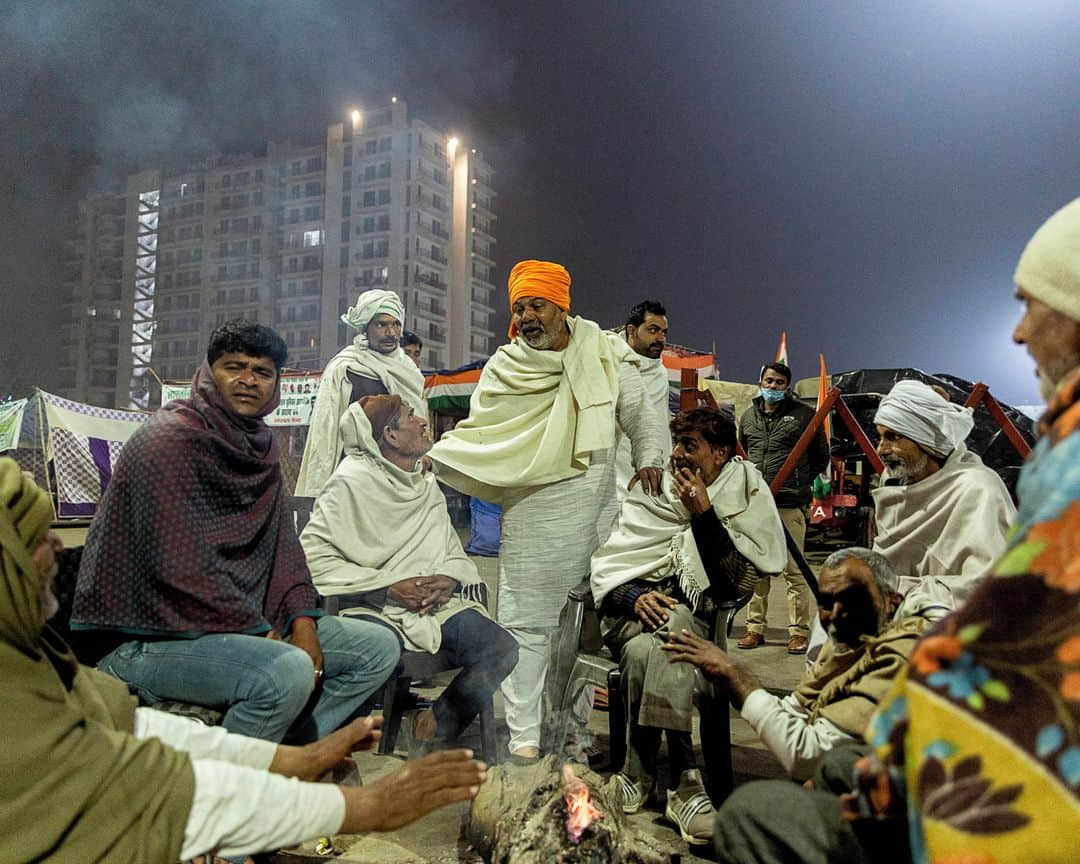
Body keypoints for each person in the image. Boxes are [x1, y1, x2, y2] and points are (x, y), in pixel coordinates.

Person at [708, 197, 1080, 864]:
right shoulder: (917, 489)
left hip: (979, 723)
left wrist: (901, 616)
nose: (1019, 333)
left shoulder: (985, 490)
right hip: (910, 653)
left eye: (1032, 306)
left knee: (764, 811)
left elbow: (1002, 617)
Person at [0, 457, 487, 863]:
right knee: (283, 671)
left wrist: (297, 756)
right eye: (40, 540)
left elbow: (132, 728)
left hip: (245, 630)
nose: (59, 548)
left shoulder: (32, 658)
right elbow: (159, 786)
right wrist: (359, 808)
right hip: (156, 646)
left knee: (369, 647)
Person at [71, 320, 401, 745]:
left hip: (237, 622)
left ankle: (290, 753)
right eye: (234, 367)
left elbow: (284, 547)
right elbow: (179, 569)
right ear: (209, 374)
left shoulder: (259, 446)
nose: (248, 380)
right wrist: (265, 633)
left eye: (262, 372)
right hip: (147, 636)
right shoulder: (167, 441)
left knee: (377, 647)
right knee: (285, 670)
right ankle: (224, 793)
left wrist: (301, 620)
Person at [427, 259, 669, 761]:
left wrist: (648, 457)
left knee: (586, 632)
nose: (527, 316)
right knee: (528, 624)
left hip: (598, 506)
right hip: (534, 511)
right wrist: (435, 456)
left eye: (537, 304)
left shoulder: (603, 351)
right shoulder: (503, 368)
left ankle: (575, 729)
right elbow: (486, 435)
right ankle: (523, 735)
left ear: (562, 306)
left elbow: (640, 412)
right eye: (519, 307)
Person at [591, 407, 786, 845]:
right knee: (666, 627)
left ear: (720, 454)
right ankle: (685, 783)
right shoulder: (653, 488)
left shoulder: (744, 489)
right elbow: (611, 561)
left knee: (657, 645)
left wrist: (703, 513)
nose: (676, 455)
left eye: (689, 446)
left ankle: (639, 772)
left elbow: (734, 585)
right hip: (628, 617)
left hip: (690, 623)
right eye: (675, 443)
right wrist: (634, 596)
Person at [300, 394, 518, 750]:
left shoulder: (424, 484)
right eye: (410, 416)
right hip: (373, 605)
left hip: (434, 604)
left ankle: (432, 725)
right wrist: (387, 587)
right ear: (390, 434)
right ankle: (326, 742)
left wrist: (447, 580)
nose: (421, 421)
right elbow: (314, 557)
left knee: (501, 647)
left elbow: (449, 548)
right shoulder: (350, 483)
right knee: (376, 648)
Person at [665, 548, 948, 785]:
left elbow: (804, 753)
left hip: (923, 797)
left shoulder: (902, 649)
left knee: (762, 803)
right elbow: (795, 708)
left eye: (852, 600)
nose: (836, 613)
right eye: (826, 602)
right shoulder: (848, 635)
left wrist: (739, 679)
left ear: (891, 603)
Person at [871, 378, 1016, 603]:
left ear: (925, 440)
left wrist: (901, 589)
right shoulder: (893, 483)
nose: (881, 449)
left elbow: (991, 590)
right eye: (879, 437)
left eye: (893, 437)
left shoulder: (978, 488)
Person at [295, 288, 426, 496]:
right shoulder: (346, 368)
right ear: (365, 328)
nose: (391, 332)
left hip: (401, 476)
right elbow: (327, 430)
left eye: (396, 324)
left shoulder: (409, 371)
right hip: (355, 479)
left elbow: (419, 420)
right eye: (381, 324)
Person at [737, 362, 829, 654]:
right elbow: (741, 453)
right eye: (769, 381)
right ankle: (754, 629)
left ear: (787, 386)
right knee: (758, 569)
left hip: (789, 505)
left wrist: (799, 485)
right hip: (757, 504)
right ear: (760, 381)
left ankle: (798, 633)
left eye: (779, 383)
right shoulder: (749, 416)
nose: (773, 387)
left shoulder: (803, 416)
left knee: (795, 571)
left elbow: (820, 457)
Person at [598, 300, 674, 541]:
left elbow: (658, 424)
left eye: (663, 332)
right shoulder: (607, 361)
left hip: (653, 469)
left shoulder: (660, 372)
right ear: (632, 330)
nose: (660, 338)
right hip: (610, 472)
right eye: (652, 330)